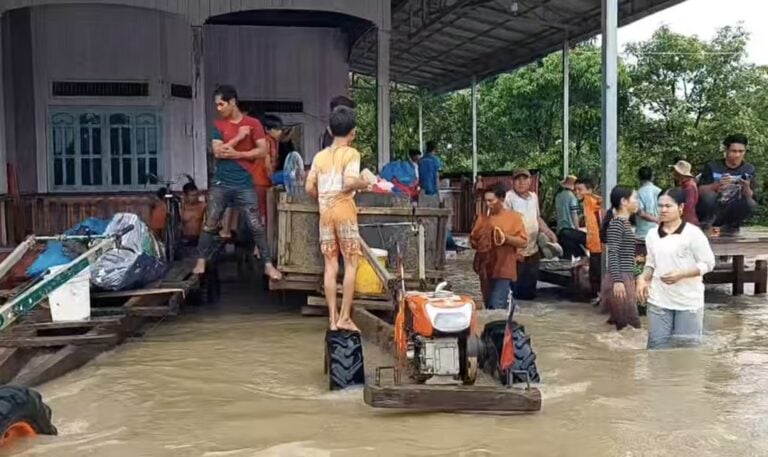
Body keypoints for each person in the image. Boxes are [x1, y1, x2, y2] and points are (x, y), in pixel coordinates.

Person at [193, 85, 282, 282]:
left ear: (232, 102)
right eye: (216, 105)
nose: (218, 108)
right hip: (221, 182)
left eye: (221, 104)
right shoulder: (219, 126)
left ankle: (268, 265)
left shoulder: (254, 124)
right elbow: (218, 152)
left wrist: (238, 154)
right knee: (211, 222)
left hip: (245, 182)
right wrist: (240, 137)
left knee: (256, 225)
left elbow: (262, 151)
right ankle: (201, 260)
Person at [305, 106, 371, 332]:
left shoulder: (319, 156)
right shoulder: (351, 153)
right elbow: (349, 182)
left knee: (330, 265)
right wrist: (366, 182)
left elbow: (309, 187)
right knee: (351, 264)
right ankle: (344, 316)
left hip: (325, 214)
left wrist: (322, 199)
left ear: (329, 130)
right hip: (344, 209)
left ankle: (332, 320)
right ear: (353, 133)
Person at [637, 188, 715, 349]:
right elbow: (651, 263)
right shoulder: (652, 235)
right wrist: (642, 278)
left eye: (668, 206)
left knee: (686, 351)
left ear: (681, 207)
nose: (663, 210)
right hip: (659, 299)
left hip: (688, 302)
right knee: (656, 348)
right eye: (660, 206)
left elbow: (708, 263)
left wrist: (682, 274)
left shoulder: (693, 234)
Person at [504, 168, 558, 300]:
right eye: (518, 179)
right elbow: (504, 226)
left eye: (524, 179)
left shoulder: (533, 197)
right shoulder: (508, 198)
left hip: (533, 251)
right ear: (513, 182)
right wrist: (514, 250)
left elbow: (537, 218)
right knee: (515, 293)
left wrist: (548, 231)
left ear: (530, 181)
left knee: (530, 292)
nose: (521, 182)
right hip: (516, 252)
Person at [470, 184, 527, 310]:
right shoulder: (482, 219)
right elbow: (473, 243)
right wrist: (481, 237)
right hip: (486, 269)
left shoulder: (514, 218)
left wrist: (505, 238)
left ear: (501, 199)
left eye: (491, 200)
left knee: (496, 305)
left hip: (504, 268)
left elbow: (523, 241)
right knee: (489, 304)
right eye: (486, 201)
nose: (488, 204)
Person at [697, 134, 758, 235]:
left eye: (741, 151)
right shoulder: (712, 166)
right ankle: (706, 224)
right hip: (714, 207)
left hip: (733, 207)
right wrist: (716, 186)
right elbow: (699, 191)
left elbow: (751, 196)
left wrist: (746, 187)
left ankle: (731, 226)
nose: (737, 155)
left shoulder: (749, 169)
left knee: (750, 203)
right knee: (709, 196)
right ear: (726, 151)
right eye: (734, 151)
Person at [600, 185, 641, 330]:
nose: (637, 202)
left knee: (621, 324)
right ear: (624, 201)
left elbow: (626, 255)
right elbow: (613, 253)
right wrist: (618, 281)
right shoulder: (618, 224)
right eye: (635, 198)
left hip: (624, 276)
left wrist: (637, 275)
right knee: (630, 326)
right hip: (620, 279)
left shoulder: (623, 223)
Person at [574, 177, 604, 299]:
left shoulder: (591, 200)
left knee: (596, 272)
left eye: (580, 189)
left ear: (589, 190)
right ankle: (597, 294)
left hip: (598, 243)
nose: (577, 192)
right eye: (575, 190)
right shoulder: (587, 202)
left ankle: (598, 295)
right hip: (593, 242)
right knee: (595, 271)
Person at [555, 175, 586, 259]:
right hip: (569, 229)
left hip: (560, 229)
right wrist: (577, 228)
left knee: (566, 257)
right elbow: (574, 214)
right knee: (582, 253)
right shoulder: (572, 197)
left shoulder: (558, 196)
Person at [670, 160, 699, 225]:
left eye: (675, 171)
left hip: (688, 222)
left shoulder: (689, 186)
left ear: (679, 173)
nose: (673, 172)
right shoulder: (685, 186)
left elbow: (688, 206)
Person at [635, 166, 661, 238]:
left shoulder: (639, 193)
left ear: (639, 177)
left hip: (643, 233)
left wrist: (655, 220)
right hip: (658, 230)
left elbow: (640, 213)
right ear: (652, 177)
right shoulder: (659, 191)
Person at [180, 180, 205, 245]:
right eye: (192, 195)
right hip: (184, 238)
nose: (195, 198)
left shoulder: (203, 206)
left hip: (199, 239)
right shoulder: (180, 207)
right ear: (185, 195)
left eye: (196, 195)